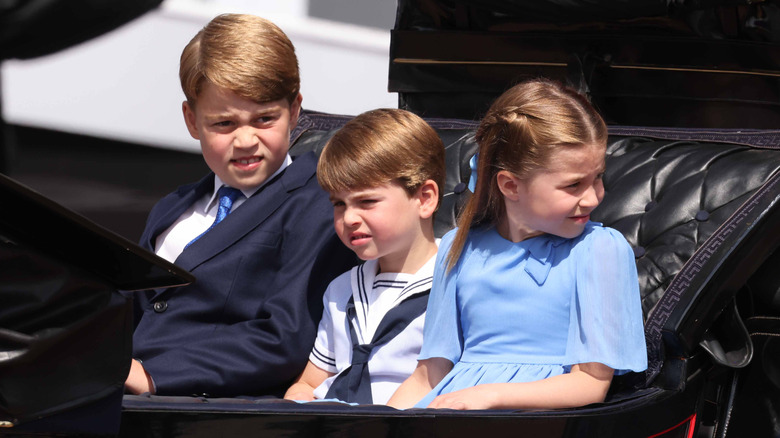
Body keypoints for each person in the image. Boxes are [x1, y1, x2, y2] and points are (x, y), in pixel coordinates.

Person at [124, 14, 355, 397]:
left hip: (215, 409)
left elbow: (287, 335)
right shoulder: (172, 207)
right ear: (192, 120)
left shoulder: (321, 202)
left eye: (264, 119)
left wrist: (151, 376)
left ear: (295, 111)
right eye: (224, 124)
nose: (246, 139)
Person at [388, 79, 647, 410]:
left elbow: (592, 382)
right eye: (574, 185)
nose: (594, 196)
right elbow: (429, 375)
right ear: (511, 185)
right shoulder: (459, 248)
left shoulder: (600, 250)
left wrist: (489, 395)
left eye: (598, 177)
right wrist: (381, 424)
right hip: (452, 417)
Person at [283, 108, 445, 405]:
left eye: (366, 201)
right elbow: (310, 382)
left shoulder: (454, 285)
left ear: (425, 199)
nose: (350, 218)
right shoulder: (340, 290)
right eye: (339, 204)